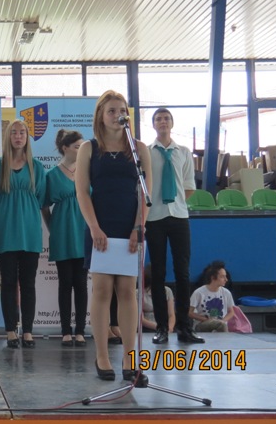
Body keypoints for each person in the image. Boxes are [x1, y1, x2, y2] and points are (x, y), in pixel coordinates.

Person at [75, 90, 152, 381]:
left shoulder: (139, 148)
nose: (118, 115)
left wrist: (138, 226)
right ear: (100, 115)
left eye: (122, 110)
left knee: (128, 291)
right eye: (111, 110)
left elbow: (146, 192)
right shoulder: (89, 148)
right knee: (102, 290)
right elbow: (82, 192)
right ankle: (102, 356)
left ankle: (130, 359)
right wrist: (94, 227)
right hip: (101, 226)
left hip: (130, 226)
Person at [145, 107, 205, 345]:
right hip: (154, 217)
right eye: (158, 119)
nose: (163, 122)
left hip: (179, 216)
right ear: (153, 124)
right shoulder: (146, 152)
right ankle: (161, 327)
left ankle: (184, 328)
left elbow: (188, 186)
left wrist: (175, 202)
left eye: (166, 118)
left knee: (183, 272)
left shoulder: (183, 152)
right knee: (158, 273)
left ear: (172, 123)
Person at [0, 120, 46, 349]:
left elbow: (40, 198)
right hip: (5, 231)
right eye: (13, 132)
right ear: (8, 137)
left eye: (22, 132)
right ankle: (11, 330)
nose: (18, 136)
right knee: (8, 282)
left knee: (28, 283)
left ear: (27, 137)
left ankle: (28, 331)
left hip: (30, 232)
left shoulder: (37, 167)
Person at [42, 129, 88, 348]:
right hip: (62, 232)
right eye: (77, 146)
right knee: (65, 283)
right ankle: (65, 331)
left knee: (81, 283)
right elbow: (44, 206)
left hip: (83, 231)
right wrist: (53, 228)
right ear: (65, 148)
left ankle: (80, 330)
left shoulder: (86, 171)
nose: (81, 150)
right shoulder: (51, 175)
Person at [189, 260, 235, 332]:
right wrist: (205, 319)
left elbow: (231, 312)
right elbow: (190, 312)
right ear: (213, 278)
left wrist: (223, 321)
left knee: (221, 325)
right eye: (222, 277)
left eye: (225, 276)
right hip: (202, 324)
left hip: (221, 324)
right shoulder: (199, 292)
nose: (226, 279)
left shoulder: (226, 293)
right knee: (220, 325)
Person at [141, 265, 175, 332]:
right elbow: (141, 319)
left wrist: (170, 327)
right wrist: (159, 327)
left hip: (166, 328)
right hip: (147, 328)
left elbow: (171, 315)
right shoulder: (139, 293)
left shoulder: (167, 291)